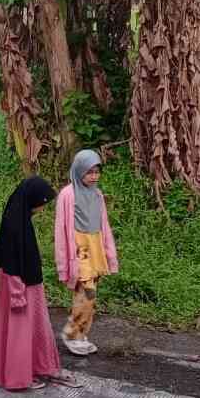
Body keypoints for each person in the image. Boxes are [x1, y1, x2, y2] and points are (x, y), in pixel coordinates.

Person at [0, 177, 80, 392]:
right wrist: (17, 295)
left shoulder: (21, 217)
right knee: (20, 332)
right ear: (32, 199)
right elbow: (11, 263)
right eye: (43, 202)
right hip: (20, 287)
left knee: (37, 328)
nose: (43, 207)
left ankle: (41, 366)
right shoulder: (15, 224)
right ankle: (18, 378)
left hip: (29, 285)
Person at [54, 150, 119, 356]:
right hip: (79, 251)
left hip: (95, 247)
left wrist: (109, 252)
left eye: (97, 171)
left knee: (91, 294)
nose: (94, 176)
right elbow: (61, 228)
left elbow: (104, 224)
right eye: (89, 172)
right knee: (86, 292)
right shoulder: (67, 194)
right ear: (78, 171)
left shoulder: (97, 194)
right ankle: (72, 333)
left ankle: (80, 333)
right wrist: (64, 260)